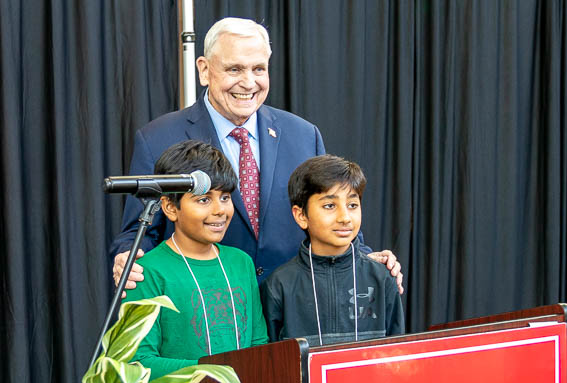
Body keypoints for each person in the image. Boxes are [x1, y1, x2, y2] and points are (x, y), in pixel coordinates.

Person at [110, 17, 403, 294]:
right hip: (207, 311)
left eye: (259, 69)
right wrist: (128, 257)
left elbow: (330, 212)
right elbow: (140, 231)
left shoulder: (303, 135)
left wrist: (367, 259)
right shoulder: (157, 138)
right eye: (235, 69)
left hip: (292, 310)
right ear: (203, 70)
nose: (249, 82)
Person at [125, 140, 268, 383]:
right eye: (203, 200)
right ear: (170, 207)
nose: (219, 210)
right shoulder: (149, 272)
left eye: (224, 197)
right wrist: (212, 372)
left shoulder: (239, 263)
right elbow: (138, 363)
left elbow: (259, 342)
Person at [260, 155, 405, 346]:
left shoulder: (381, 278)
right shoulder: (278, 285)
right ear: (301, 215)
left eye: (352, 205)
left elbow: (397, 354)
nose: (345, 217)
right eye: (329, 206)